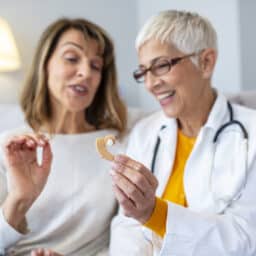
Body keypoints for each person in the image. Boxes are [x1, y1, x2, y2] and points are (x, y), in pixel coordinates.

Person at [109, 10, 256, 255]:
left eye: (161, 66)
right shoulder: (145, 132)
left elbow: (246, 237)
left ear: (206, 62)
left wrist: (153, 213)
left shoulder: (251, 134)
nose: (150, 83)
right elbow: (126, 225)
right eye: (143, 71)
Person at [0, 17, 127, 256]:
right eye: (72, 58)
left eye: (96, 66)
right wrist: (19, 199)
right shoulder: (11, 146)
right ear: (45, 63)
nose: (85, 73)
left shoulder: (116, 145)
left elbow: (127, 238)